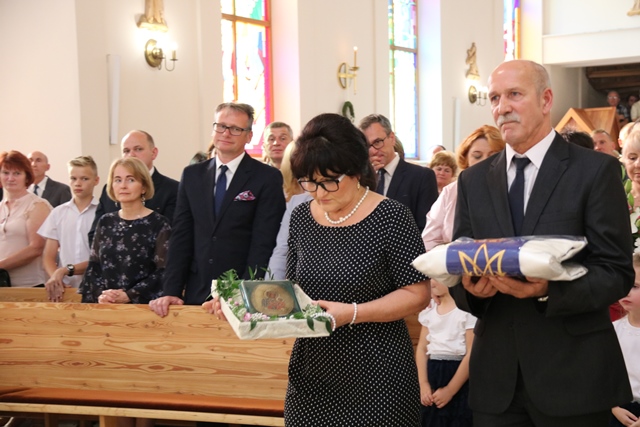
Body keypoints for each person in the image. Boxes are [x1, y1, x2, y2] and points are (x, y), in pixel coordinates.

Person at [210, 113, 430, 425]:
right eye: (309, 182)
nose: (320, 192)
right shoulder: (302, 216)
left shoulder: (391, 216)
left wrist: (352, 313)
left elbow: (418, 293)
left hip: (377, 371)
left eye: (329, 181)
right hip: (313, 371)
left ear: (356, 170)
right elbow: (292, 291)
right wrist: (240, 303)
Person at [451, 59, 633, 426]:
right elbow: (459, 266)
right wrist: (472, 290)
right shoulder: (473, 181)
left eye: (514, 95)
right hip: (497, 379)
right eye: (495, 98)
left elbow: (615, 272)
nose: (502, 107)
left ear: (546, 99)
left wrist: (549, 290)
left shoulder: (594, 171)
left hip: (573, 374)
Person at [150, 102, 285, 316]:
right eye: (221, 126)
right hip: (197, 288)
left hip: (241, 292)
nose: (226, 133)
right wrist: (172, 290)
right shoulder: (192, 175)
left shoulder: (266, 177)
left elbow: (263, 242)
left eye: (236, 128)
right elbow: (182, 236)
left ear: (249, 136)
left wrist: (244, 293)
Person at [79, 157, 171, 304]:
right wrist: (103, 295)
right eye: (117, 180)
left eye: (130, 180)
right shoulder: (105, 222)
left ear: (144, 187)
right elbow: (94, 267)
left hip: (145, 307)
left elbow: (163, 271)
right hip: (106, 306)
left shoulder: (159, 224)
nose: (123, 186)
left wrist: (129, 295)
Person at [422, 125, 505, 251]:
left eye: (492, 156)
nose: (484, 162)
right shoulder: (451, 192)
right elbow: (429, 239)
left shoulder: (511, 188)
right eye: (477, 156)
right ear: (466, 159)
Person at [90, 130, 178, 242]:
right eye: (126, 151)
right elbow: (95, 236)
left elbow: (173, 236)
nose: (131, 155)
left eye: (138, 149)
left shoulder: (173, 190)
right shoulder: (110, 188)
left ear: (154, 153)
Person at [359, 113, 438, 231]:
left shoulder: (421, 176)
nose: (373, 151)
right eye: (367, 146)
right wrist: (367, 177)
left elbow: (427, 227)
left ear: (392, 138)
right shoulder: (361, 179)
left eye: (377, 142)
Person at [37, 156, 100, 301]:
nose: (78, 183)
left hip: (96, 286)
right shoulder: (58, 213)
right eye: (73, 178)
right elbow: (48, 256)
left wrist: (64, 271)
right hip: (65, 288)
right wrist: (56, 277)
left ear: (96, 180)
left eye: (84, 179)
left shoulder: (103, 213)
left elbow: (101, 257)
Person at [416, 278, 475, 427]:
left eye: (437, 278)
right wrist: (423, 383)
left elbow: (471, 353)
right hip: (433, 372)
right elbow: (422, 348)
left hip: (458, 374)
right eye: (429, 277)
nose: (431, 282)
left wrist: (450, 390)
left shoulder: (466, 311)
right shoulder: (429, 310)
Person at [0, 150, 52, 287]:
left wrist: (1, 265)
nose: (10, 178)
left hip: (30, 286)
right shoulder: (1, 207)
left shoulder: (37, 205)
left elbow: (36, 248)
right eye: (5, 173)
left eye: (17, 173)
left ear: (27, 177)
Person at [610, 253, 640, 427]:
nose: (626, 292)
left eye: (635, 286)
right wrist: (613, 407)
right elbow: (604, 374)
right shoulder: (613, 330)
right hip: (620, 410)